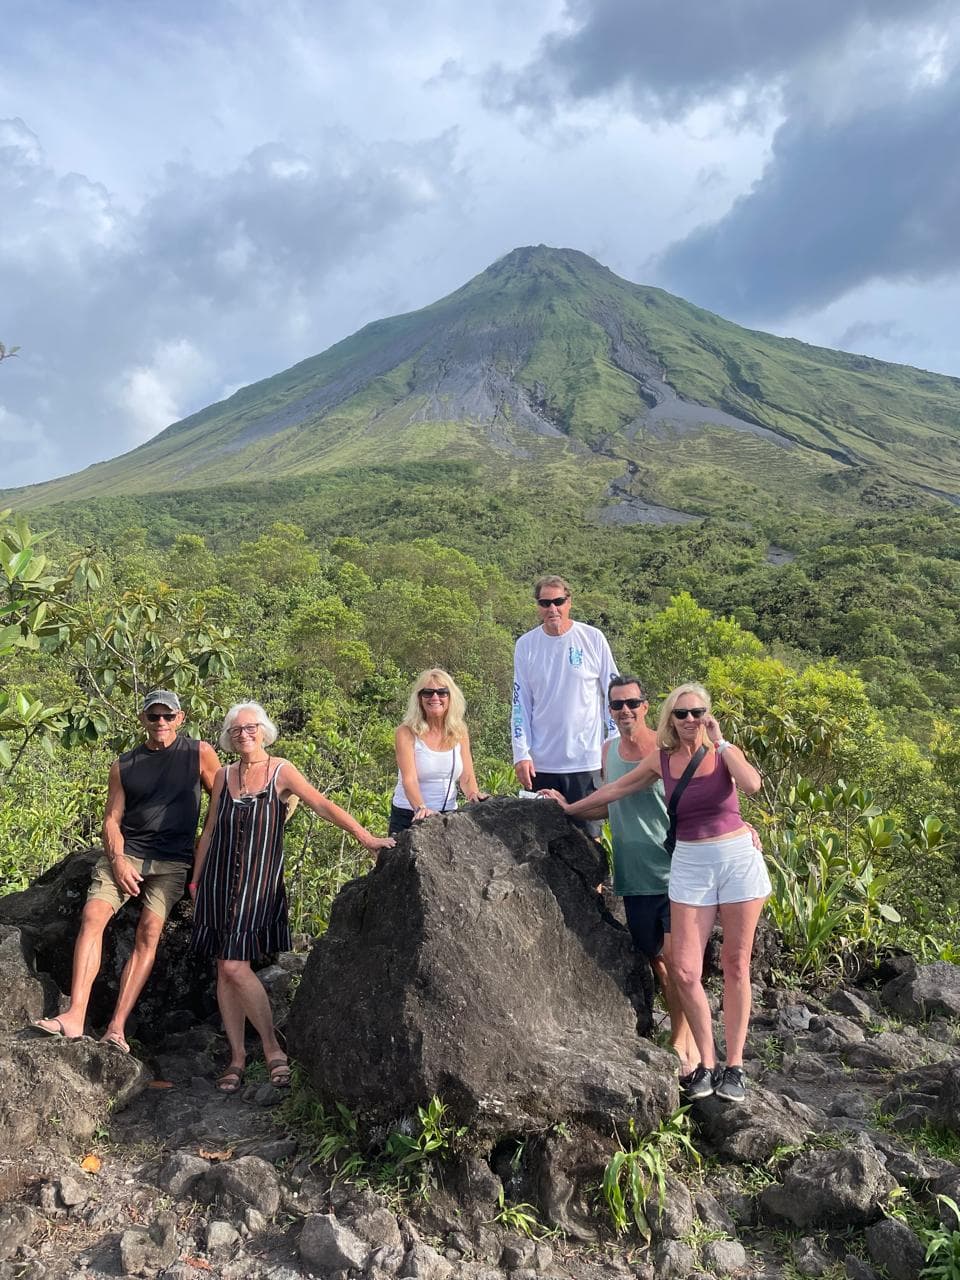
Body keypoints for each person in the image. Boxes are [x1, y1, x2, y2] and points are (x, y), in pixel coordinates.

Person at [553, 682, 768, 1104]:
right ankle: (706, 1063)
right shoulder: (662, 759)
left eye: (698, 712)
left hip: (735, 859)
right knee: (685, 969)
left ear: (708, 714)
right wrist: (568, 809)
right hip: (688, 862)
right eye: (682, 713)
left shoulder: (724, 752)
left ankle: (735, 1067)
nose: (690, 720)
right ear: (670, 717)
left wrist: (721, 742)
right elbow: (616, 790)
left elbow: (752, 786)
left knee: (735, 964)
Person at [190, 701, 395, 1092]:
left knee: (235, 966)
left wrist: (364, 836)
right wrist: (196, 882)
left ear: (263, 730)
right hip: (218, 881)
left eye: (250, 728)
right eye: (236, 730)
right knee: (223, 967)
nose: (244, 735)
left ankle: (272, 1049)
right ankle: (236, 1057)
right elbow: (211, 827)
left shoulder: (280, 770)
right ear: (228, 738)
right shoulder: (224, 776)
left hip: (258, 883)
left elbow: (322, 804)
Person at [33, 690, 220, 1051]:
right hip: (128, 853)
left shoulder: (199, 753)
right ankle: (74, 1015)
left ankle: (116, 1027)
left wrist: (204, 848)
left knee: (149, 932)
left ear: (180, 718)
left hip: (172, 860)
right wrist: (118, 861)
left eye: (168, 716)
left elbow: (221, 798)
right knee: (93, 915)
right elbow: (111, 819)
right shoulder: (125, 765)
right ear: (143, 719)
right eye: (154, 717)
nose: (161, 723)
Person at [543, 675, 696, 1073]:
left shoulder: (668, 750)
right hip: (634, 874)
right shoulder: (608, 750)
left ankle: (684, 1041)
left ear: (646, 706)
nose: (624, 711)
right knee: (658, 961)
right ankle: (688, 1031)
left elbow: (705, 795)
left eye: (631, 703)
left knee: (677, 959)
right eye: (616, 705)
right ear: (609, 711)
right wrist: (568, 806)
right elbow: (609, 804)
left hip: (674, 870)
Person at [511, 574, 618, 834]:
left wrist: (612, 743)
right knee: (541, 843)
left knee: (588, 840)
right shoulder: (526, 645)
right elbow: (519, 703)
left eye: (558, 601)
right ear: (538, 606)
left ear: (569, 601)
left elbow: (613, 692)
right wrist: (521, 753)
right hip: (542, 764)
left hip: (587, 762)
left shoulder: (592, 638)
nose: (552, 609)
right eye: (545, 603)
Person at [389, 669, 487, 835]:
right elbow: (409, 779)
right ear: (419, 698)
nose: (435, 697)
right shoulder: (406, 732)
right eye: (428, 693)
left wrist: (474, 795)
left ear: (451, 697)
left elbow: (467, 776)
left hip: (448, 815)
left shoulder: (459, 731)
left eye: (442, 692)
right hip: (409, 814)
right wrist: (421, 808)